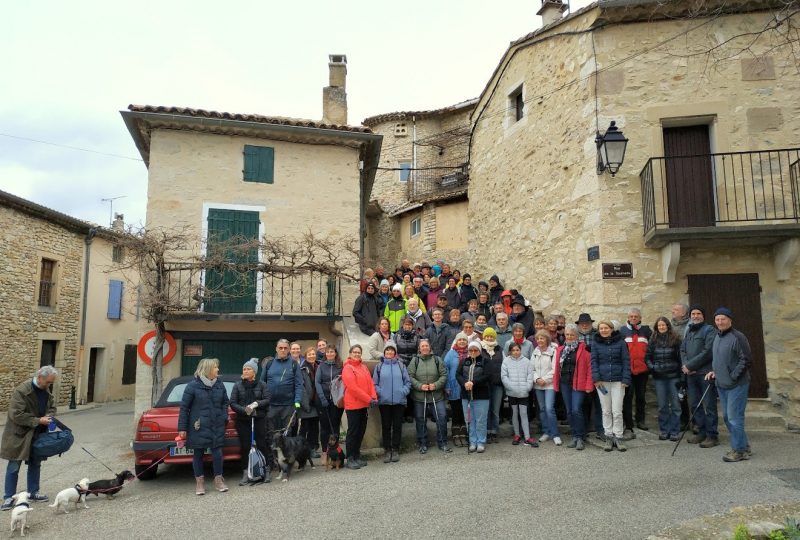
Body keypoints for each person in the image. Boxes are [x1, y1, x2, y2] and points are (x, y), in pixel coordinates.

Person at [1, 366, 58, 509]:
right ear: (39, 377)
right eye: (48, 382)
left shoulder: (45, 389)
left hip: (38, 433)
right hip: (19, 434)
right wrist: (38, 421)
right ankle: (9, 497)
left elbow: (52, 407)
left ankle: (33, 492)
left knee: (35, 463)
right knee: (14, 465)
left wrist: (49, 416)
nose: (49, 386)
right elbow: (16, 415)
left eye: (51, 383)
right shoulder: (22, 390)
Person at [706, 308, 752, 463]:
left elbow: (746, 359)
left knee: (734, 418)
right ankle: (744, 446)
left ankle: (739, 451)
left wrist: (732, 376)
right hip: (722, 385)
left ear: (730, 320)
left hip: (736, 385)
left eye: (723, 319)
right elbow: (720, 359)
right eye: (717, 319)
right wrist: (715, 371)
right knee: (727, 417)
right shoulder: (717, 337)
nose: (720, 322)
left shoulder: (738, 337)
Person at [178, 358, 229, 495]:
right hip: (198, 426)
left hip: (216, 424)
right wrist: (182, 428)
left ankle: (218, 480)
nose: (218, 369)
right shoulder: (192, 386)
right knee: (198, 454)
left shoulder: (219, 385)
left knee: (217, 453)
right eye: (215, 367)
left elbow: (225, 402)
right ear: (207, 370)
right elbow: (184, 408)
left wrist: (224, 416)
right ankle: (200, 483)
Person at [681, 304, 719, 448]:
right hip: (691, 376)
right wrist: (685, 366)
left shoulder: (709, 330)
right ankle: (701, 432)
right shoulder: (690, 331)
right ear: (690, 316)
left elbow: (708, 351)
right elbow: (682, 350)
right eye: (693, 314)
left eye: (698, 314)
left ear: (703, 316)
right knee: (694, 405)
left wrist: (690, 366)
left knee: (709, 405)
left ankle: (712, 436)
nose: (695, 316)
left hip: (705, 375)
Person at [230, 358, 271, 485]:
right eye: (244, 369)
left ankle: (266, 470)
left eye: (248, 369)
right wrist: (244, 410)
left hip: (259, 418)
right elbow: (232, 402)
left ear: (254, 372)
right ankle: (246, 473)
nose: (245, 371)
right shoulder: (237, 385)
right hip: (243, 420)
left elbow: (267, 399)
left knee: (262, 444)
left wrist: (256, 404)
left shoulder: (262, 384)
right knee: (246, 447)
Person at [591, 321, 631, 452]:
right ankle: (608, 436)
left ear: (612, 329)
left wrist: (626, 378)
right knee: (606, 411)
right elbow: (594, 362)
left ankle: (618, 436)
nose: (603, 330)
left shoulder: (620, 342)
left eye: (606, 328)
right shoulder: (596, 343)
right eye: (601, 328)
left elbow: (626, 360)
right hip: (602, 382)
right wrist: (596, 379)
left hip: (618, 381)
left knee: (617, 411)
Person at [553, 324, 593, 451]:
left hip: (579, 384)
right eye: (567, 335)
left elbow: (590, 369)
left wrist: (589, 385)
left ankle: (580, 437)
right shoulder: (561, 349)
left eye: (572, 335)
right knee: (569, 411)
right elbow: (557, 368)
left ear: (577, 336)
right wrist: (556, 383)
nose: (569, 337)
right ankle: (575, 435)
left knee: (576, 410)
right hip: (565, 383)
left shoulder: (584, 349)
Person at [407, 339, 449, 454]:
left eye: (426, 346)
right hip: (420, 396)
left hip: (437, 395)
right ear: (419, 349)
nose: (425, 348)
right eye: (422, 346)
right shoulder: (415, 360)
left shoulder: (437, 359)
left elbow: (444, 375)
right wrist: (420, 386)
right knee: (421, 419)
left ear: (430, 348)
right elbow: (410, 376)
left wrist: (436, 385)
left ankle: (442, 442)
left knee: (442, 417)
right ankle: (423, 443)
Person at [373, 341, 411, 463]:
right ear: (384, 352)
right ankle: (387, 449)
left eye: (392, 350)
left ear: (395, 352)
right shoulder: (379, 366)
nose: (389, 352)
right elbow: (374, 384)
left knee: (397, 426)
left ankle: (395, 449)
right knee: (386, 426)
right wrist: (381, 392)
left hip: (399, 402)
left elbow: (408, 382)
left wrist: (403, 392)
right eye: (387, 350)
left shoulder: (401, 366)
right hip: (384, 402)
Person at [645, 317, 682, 442]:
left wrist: (681, 374)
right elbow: (647, 357)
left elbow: (680, 357)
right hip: (659, 377)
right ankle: (664, 430)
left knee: (676, 405)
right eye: (659, 325)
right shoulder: (653, 339)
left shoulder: (675, 339)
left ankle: (675, 431)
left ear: (667, 326)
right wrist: (653, 368)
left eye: (663, 325)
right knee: (662, 406)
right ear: (656, 327)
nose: (661, 327)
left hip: (674, 377)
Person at [341, 345, 377, 470]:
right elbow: (353, 388)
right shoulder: (347, 368)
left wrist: (373, 397)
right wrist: (369, 399)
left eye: (359, 352)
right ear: (350, 353)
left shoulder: (363, 367)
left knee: (361, 432)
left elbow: (370, 383)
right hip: (353, 405)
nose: (357, 354)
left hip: (364, 405)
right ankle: (350, 458)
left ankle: (356, 456)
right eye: (354, 352)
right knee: (353, 432)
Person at [619, 308, 652, 435]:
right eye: (631, 316)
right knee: (627, 397)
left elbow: (651, 348)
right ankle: (628, 423)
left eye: (636, 316)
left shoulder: (646, 330)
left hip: (642, 370)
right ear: (628, 317)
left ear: (640, 317)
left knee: (641, 397)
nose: (633, 318)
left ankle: (640, 420)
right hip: (628, 370)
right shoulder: (622, 331)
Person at [261, 339, 303, 436]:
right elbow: (262, 383)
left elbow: (299, 384)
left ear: (289, 350)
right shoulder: (269, 363)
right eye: (280, 348)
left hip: (288, 406)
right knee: (270, 433)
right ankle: (271, 451)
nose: (283, 350)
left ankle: (286, 452)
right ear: (276, 349)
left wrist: (297, 400)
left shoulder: (294, 364)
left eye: (285, 348)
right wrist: (262, 400)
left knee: (286, 434)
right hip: (271, 406)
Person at [457, 342, 491, 453]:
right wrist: (464, 383)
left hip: (481, 396)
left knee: (480, 420)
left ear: (479, 351)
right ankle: (472, 441)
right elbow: (458, 374)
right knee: (469, 420)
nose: (472, 352)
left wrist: (473, 382)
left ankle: (481, 442)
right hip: (466, 396)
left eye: (475, 350)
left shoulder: (485, 361)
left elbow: (487, 376)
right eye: (470, 350)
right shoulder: (464, 361)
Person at [501, 342, 536, 446]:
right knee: (514, 413)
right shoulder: (506, 362)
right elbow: (504, 376)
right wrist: (510, 387)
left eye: (517, 350)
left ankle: (527, 437)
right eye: (513, 350)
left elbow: (530, 375)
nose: (516, 352)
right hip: (512, 393)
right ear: (510, 352)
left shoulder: (527, 361)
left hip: (523, 393)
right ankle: (517, 435)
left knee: (524, 414)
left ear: (520, 350)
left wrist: (527, 387)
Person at [315, 345, 344, 464]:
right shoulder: (321, 366)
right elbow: (317, 382)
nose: (330, 354)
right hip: (323, 400)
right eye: (328, 352)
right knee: (325, 427)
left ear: (335, 353)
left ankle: (335, 451)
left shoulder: (340, 366)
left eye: (332, 352)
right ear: (325, 354)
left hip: (336, 401)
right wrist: (322, 398)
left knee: (335, 426)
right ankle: (324, 452)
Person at [531, 330, 561, 445]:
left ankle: (555, 434)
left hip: (549, 385)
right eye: (538, 339)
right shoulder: (535, 352)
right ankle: (546, 432)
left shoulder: (553, 351)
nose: (539, 341)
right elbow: (531, 368)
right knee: (542, 409)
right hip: (538, 385)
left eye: (542, 338)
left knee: (549, 408)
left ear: (547, 339)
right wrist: (537, 379)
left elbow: (555, 369)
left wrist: (545, 379)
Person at [444, 333, 469, 445]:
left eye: (464, 340)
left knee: (465, 411)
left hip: (467, 387)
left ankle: (464, 433)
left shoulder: (470, 352)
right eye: (460, 340)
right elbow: (446, 371)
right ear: (456, 341)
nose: (462, 342)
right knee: (456, 411)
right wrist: (447, 386)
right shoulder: (451, 354)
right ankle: (455, 434)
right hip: (454, 387)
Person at [481, 327, 504, 444]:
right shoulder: (480, 349)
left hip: (497, 383)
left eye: (491, 336)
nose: (489, 338)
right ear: (483, 337)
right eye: (487, 336)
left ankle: (494, 431)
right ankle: (486, 431)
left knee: (495, 409)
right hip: (484, 384)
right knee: (486, 409)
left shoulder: (500, 349)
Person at [299, 347, 321, 458]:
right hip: (306, 403)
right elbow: (301, 387)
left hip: (316, 403)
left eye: (313, 354)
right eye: (309, 354)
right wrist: (305, 404)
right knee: (304, 428)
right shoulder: (302, 368)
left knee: (314, 428)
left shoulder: (319, 366)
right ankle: (302, 450)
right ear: (305, 356)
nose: (312, 356)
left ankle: (312, 449)